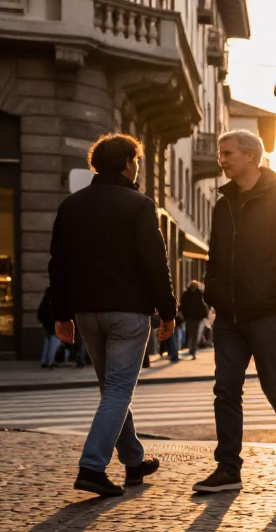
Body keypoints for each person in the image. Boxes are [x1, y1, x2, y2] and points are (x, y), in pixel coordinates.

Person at [48, 133, 174, 497]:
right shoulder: (139, 205)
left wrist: (62, 314)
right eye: (136, 161)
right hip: (128, 313)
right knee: (118, 391)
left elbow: (59, 265)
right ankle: (92, 466)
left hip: (87, 313)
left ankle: (134, 461)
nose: (137, 168)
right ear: (127, 164)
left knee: (111, 390)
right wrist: (168, 311)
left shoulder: (71, 205)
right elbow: (155, 263)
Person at [195, 129, 276, 494]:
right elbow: (215, 257)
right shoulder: (223, 204)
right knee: (225, 390)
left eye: (227, 153)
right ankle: (228, 468)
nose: (221, 160)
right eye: (220, 153)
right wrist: (213, 290)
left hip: (270, 313)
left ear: (250, 155)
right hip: (229, 316)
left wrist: (272, 291)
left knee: (275, 387)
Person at [179, 281, 207, 359]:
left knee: (191, 333)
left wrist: (183, 313)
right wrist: (204, 314)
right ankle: (193, 350)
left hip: (189, 317)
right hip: (196, 317)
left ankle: (192, 349)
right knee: (194, 334)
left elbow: (182, 305)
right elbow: (202, 304)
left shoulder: (186, 294)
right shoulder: (199, 294)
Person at [37, 287, 59, 369]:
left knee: (47, 343)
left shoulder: (44, 302)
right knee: (54, 344)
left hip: (46, 326)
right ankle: (50, 361)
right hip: (53, 326)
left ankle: (44, 361)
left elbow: (39, 314)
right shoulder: (53, 302)